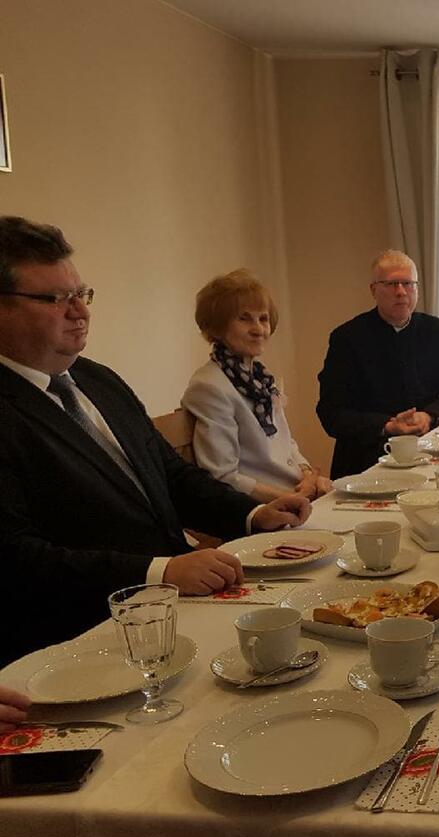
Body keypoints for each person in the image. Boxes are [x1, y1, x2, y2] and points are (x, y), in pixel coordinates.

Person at [0, 217, 311, 666]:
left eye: (81, 293)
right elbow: (17, 557)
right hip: (84, 636)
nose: (80, 311)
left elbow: (172, 475)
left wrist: (250, 513)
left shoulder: (97, 380)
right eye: (56, 299)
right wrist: (158, 571)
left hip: (174, 605)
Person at [317, 250, 439, 478]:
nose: (401, 292)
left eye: (408, 284)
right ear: (373, 290)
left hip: (429, 452)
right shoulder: (347, 338)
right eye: (392, 284)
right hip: (366, 459)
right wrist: (388, 425)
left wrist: (428, 415)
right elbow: (331, 413)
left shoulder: (436, 332)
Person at [182, 269, 333, 503]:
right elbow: (223, 476)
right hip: (262, 509)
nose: (258, 329)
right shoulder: (209, 386)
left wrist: (308, 476)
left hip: (293, 495)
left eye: (263, 319)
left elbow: (285, 444)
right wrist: (290, 499)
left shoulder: (260, 379)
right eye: (244, 319)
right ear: (218, 326)